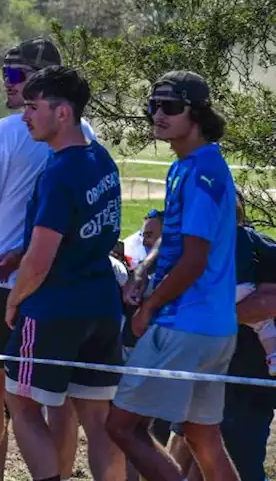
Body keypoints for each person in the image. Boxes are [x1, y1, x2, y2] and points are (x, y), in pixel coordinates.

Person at [0, 38, 93, 481]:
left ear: (42, 79)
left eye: (16, 75)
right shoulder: (86, 134)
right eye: (5, 73)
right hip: (57, 281)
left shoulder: (4, 132)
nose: (7, 82)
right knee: (57, 394)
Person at [107, 71, 240, 481]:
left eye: (171, 107)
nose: (158, 114)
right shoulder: (187, 165)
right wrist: (144, 270)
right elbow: (176, 241)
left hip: (184, 325)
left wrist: (150, 305)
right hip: (213, 329)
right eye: (153, 105)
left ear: (197, 114)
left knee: (121, 426)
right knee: (202, 436)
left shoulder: (202, 174)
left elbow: (195, 259)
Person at [1, 66, 125, 481]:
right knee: (97, 416)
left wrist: (15, 297)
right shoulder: (102, 160)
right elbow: (88, 231)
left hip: (54, 309)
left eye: (33, 108)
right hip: (103, 305)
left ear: (63, 113)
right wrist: (23, 250)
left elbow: (40, 262)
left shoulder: (57, 173)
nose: (25, 116)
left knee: (20, 401)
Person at [222, 202, 276, 480]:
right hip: (205, 371)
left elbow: (268, 302)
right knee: (194, 449)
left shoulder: (261, 247)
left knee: (242, 460)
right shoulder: (195, 247)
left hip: (248, 377)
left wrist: (213, 319)